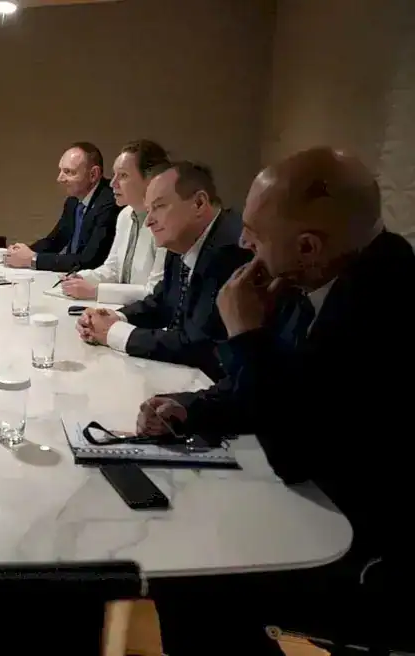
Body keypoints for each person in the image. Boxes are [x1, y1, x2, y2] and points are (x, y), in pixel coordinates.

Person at [138, 148, 414, 654]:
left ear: (308, 246)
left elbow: (294, 450)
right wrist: (191, 407)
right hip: (315, 504)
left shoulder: (386, 302)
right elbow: (273, 390)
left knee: (189, 571)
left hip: (370, 554)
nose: (243, 244)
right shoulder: (318, 272)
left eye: (255, 235)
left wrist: (246, 335)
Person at [76, 161, 250, 380]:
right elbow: (162, 301)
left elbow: (198, 344)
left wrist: (112, 332)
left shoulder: (230, 249)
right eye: (148, 210)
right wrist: (117, 317)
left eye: (159, 207)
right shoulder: (182, 239)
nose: (149, 221)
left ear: (198, 203)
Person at [60, 140, 169, 305]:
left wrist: (96, 292)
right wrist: (81, 277)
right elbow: (113, 270)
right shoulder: (125, 215)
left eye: (123, 176)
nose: (112, 183)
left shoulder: (166, 222)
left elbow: (156, 292)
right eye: (114, 175)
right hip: (123, 309)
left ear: (151, 180)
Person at [4, 142, 120, 273]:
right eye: (61, 170)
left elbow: (89, 260)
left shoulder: (110, 203)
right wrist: (23, 252)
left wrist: (33, 259)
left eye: (68, 172)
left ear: (93, 174)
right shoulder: (73, 201)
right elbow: (55, 241)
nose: (60, 179)